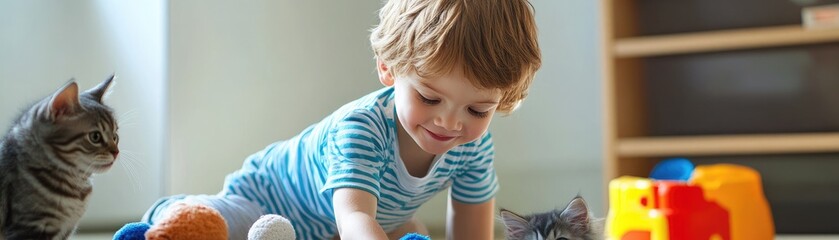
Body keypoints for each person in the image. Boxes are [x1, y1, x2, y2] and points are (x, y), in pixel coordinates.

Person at [141, 0, 540, 239]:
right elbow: (354, 220)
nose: (450, 123)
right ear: (388, 69)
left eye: (477, 110)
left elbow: (472, 228)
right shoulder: (362, 128)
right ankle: (174, 212)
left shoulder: (473, 146)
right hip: (267, 203)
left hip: (356, 223)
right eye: (429, 97)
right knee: (218, 229)